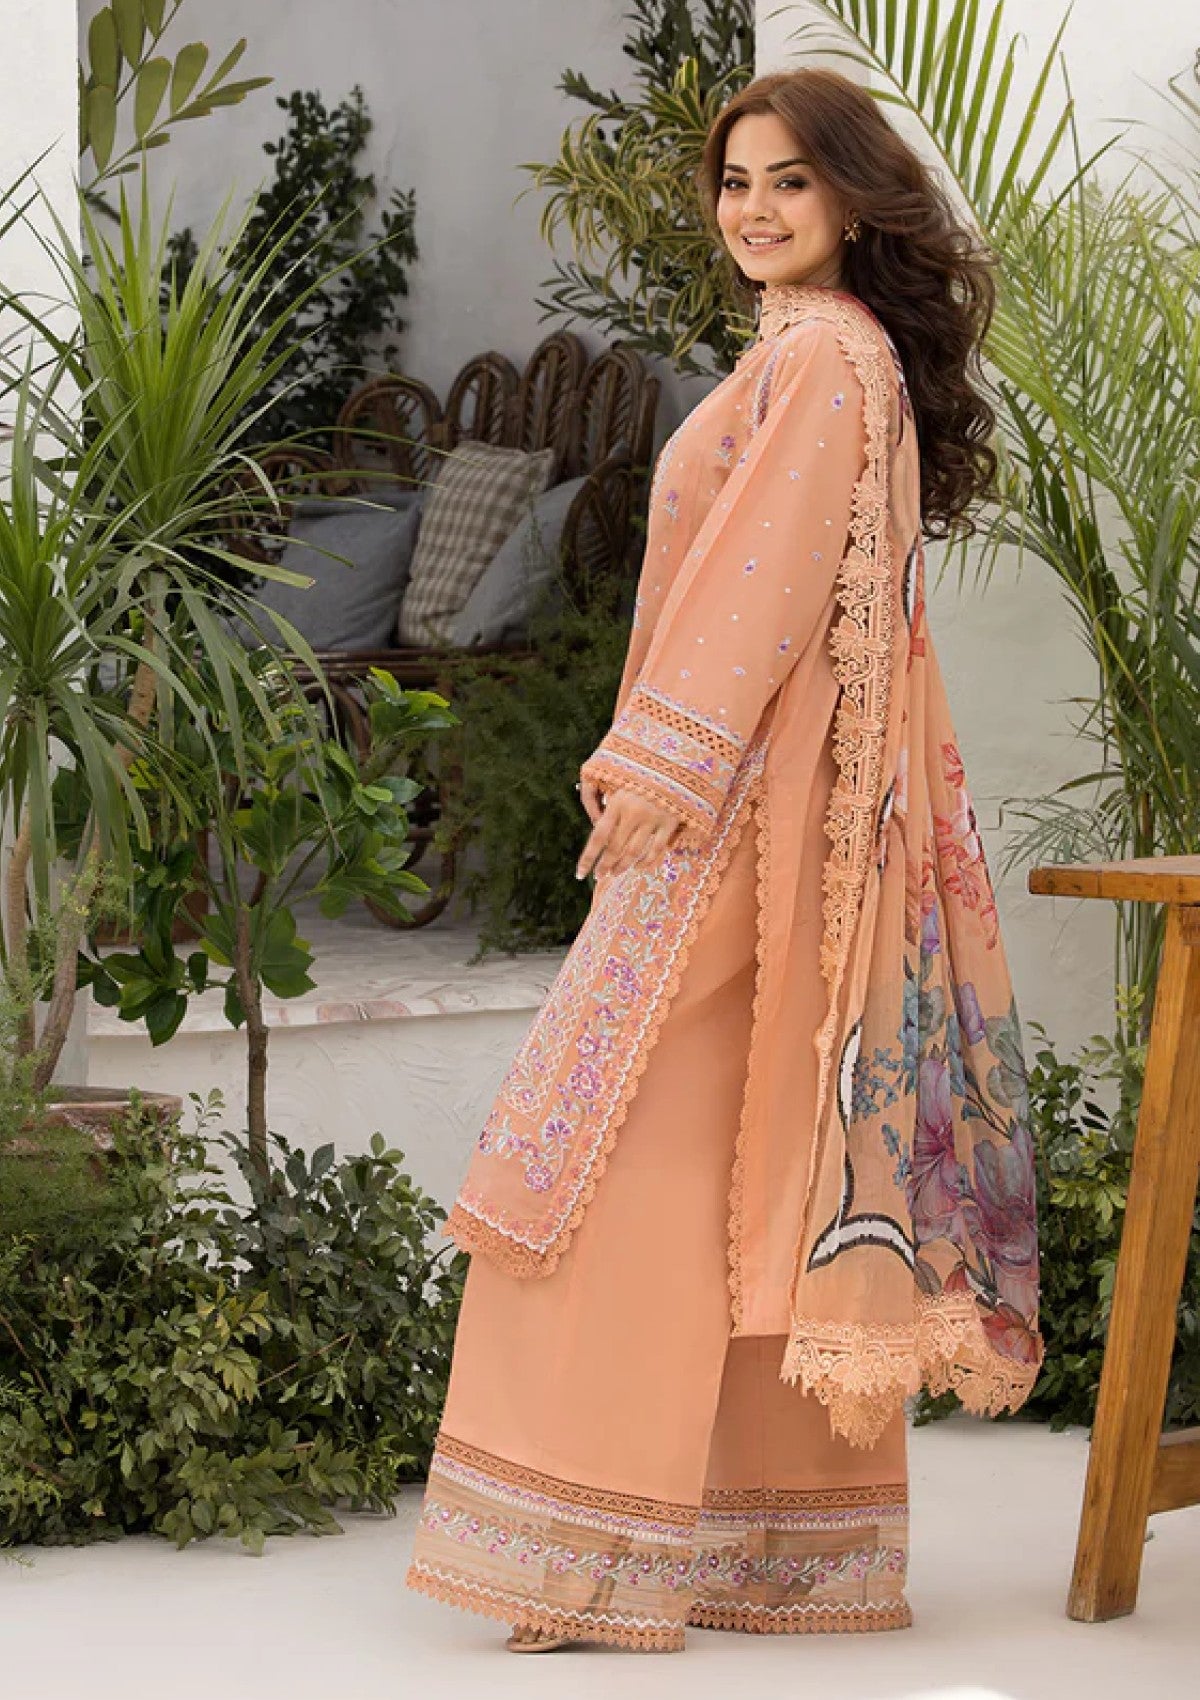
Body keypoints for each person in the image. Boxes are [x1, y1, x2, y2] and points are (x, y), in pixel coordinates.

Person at [404, 65, 1043, 1653]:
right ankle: (758, 1546)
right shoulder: (829, 349)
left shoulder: (823, 355)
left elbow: (762, 585)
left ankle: (576, 1549)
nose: (753, 210)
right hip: (785, 818)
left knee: (609, 1151)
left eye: (789, 182)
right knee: (735, 1162)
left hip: (737, 815)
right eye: (737, 183)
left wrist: (659, 770)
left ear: (853, 201)